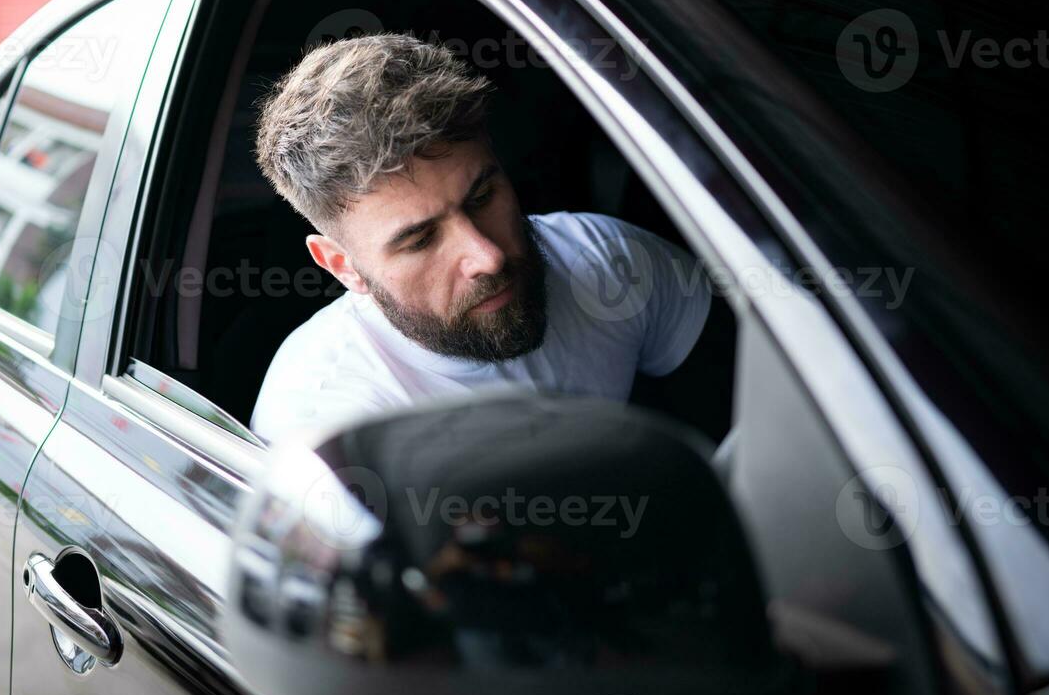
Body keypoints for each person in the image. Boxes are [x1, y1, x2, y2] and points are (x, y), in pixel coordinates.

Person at [249, 32, 712, 444]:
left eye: (483, 197)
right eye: (420, 240)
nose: (487, 256)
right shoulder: (326, 432)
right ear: (343, 267)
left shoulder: (604, 258)